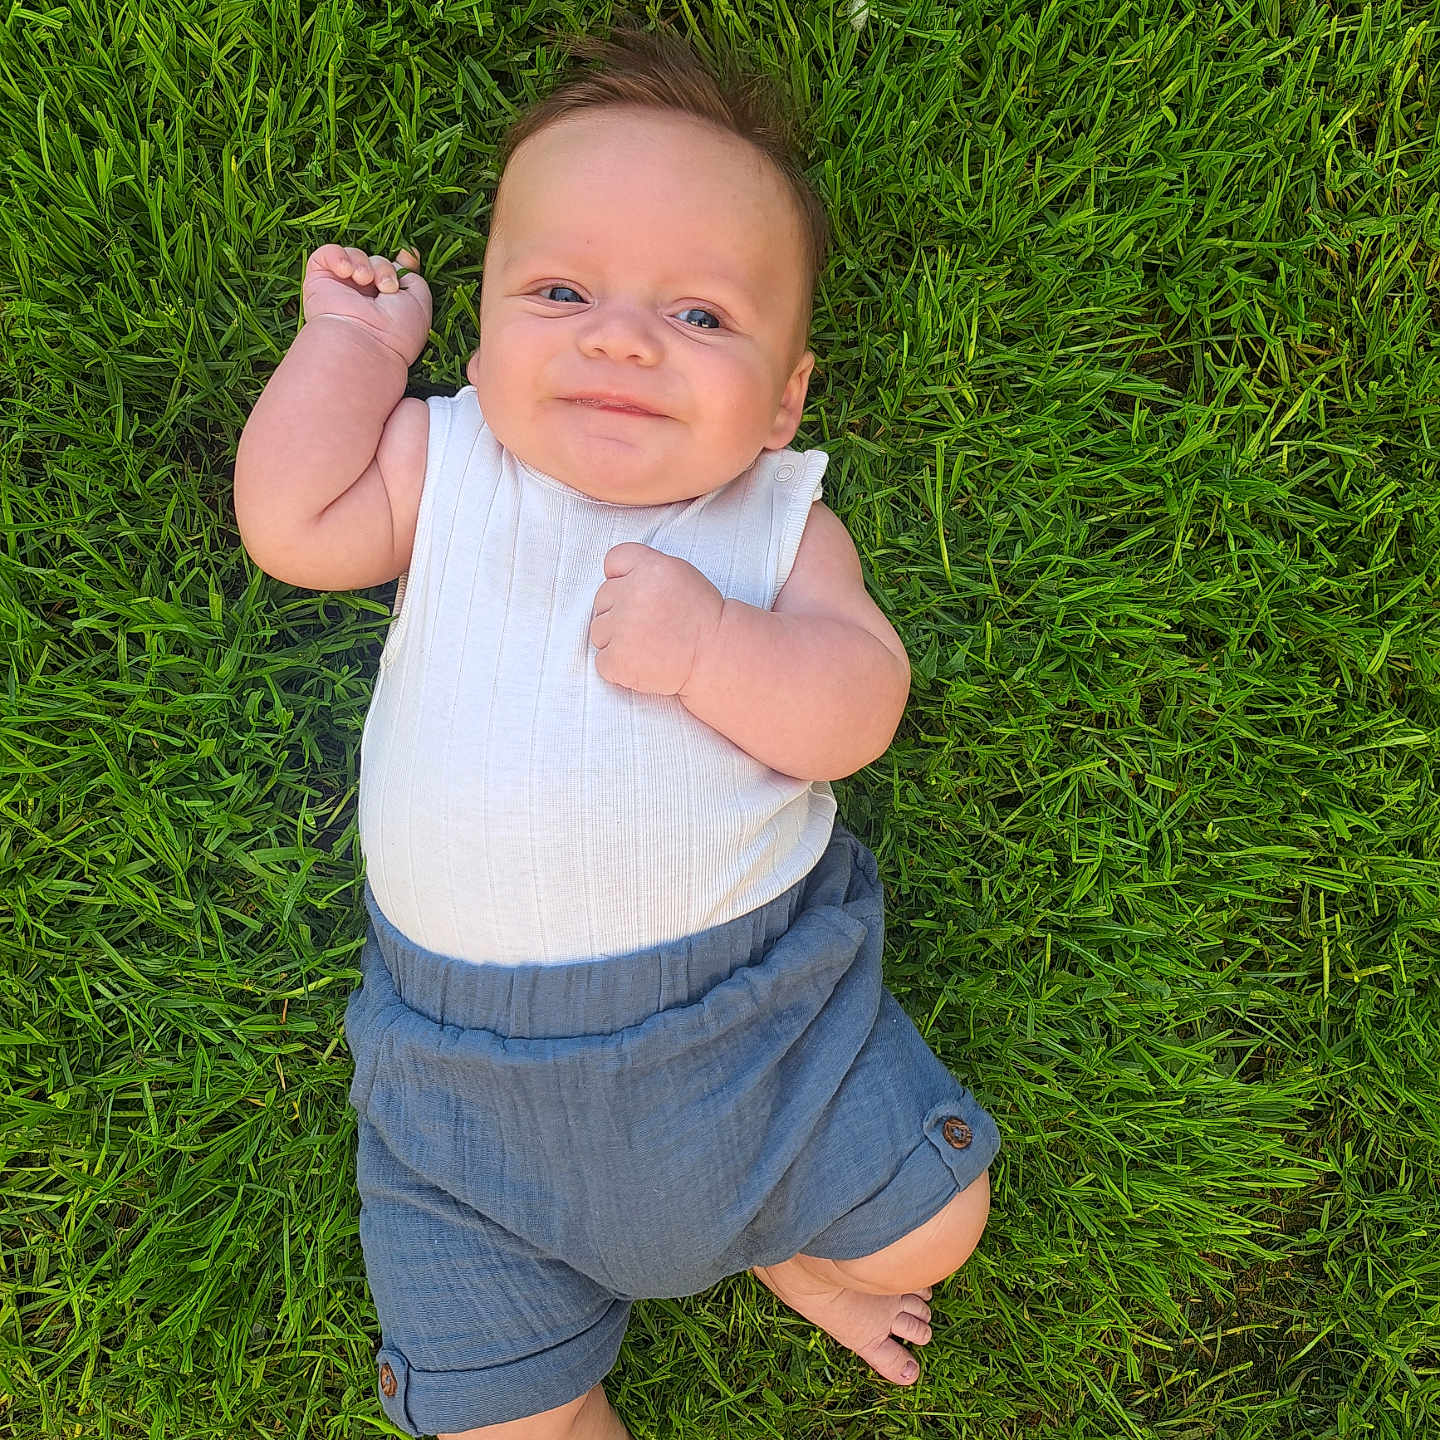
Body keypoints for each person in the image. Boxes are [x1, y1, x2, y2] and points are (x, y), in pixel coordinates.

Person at [233, 24, 999, 1440]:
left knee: (937, 1221)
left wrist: (716, 646)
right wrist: (349, 349)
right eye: (561, 289)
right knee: (501, 1422)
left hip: (758, 1032)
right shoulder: (447, 467)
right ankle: (730, 1262)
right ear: (478, 335)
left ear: (784, 399)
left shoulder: (774, 527)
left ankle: (788, 1244)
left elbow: (856, 707)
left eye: (701, 317)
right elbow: (291, 524)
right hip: (465, 1109)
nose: (621, 336)